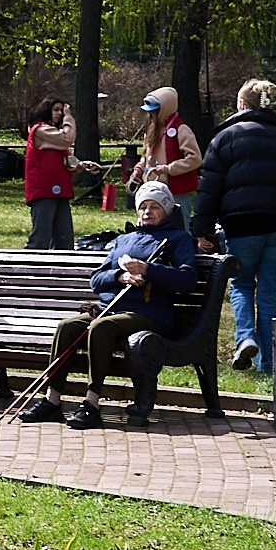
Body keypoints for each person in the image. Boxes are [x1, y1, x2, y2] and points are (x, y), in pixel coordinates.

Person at [24, 182, 198, 428]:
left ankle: (91, 403)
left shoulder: (178, 239)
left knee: (101, 327)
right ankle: (51, 400)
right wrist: (120, 276)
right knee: (67, 326)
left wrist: (149, 270)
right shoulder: (124, 239)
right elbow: (96, 279)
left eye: (155, 207)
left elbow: (187, 280)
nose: (147, 212)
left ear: (167, 210)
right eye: (143, 207)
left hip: (148, 313)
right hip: (109, 309)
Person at [193, 78, 276, 373]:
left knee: (242, 284)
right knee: (270, 293)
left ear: (242, 104)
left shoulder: (225, 138)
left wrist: (202, 229)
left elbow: (209, 189)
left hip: (241, 224)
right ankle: (267, 362)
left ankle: (245, 337)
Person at [23, 97, 78, 250]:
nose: (60, 113)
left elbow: (62, 160)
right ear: (46, 111)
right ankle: (27, 263)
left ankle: (64, 265)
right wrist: (68, 117)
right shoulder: (40, 130)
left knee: (64, 240)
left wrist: (79, 165)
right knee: (40, 238)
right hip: (44, 191)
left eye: (61, 111)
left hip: (60, 190)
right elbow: (67, 138)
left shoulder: (52, 134)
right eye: (56, 110)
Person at [132, 87, 201, 197]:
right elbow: (146, 157)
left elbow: (195, 159)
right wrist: (138, 170)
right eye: (149, 112)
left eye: (155, 111)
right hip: (152, 189)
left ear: (165, 109)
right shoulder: (152, 130)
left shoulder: (181, 129)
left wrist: (168, 169)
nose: (151, 114)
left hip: (176, 192)